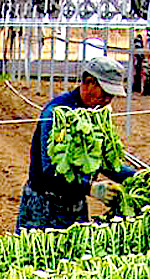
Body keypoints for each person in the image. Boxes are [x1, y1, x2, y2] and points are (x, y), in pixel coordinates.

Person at [16, 55, 135, 232]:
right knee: (38, 257)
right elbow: (49, 172)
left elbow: (102, 162)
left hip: (75, 206)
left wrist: (138, 178)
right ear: (88, 82)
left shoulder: (95, 115)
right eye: (105, 93)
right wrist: (90, 188)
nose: (108, 100)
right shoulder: (56, 113)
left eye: (112, 95)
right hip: (43, 207)